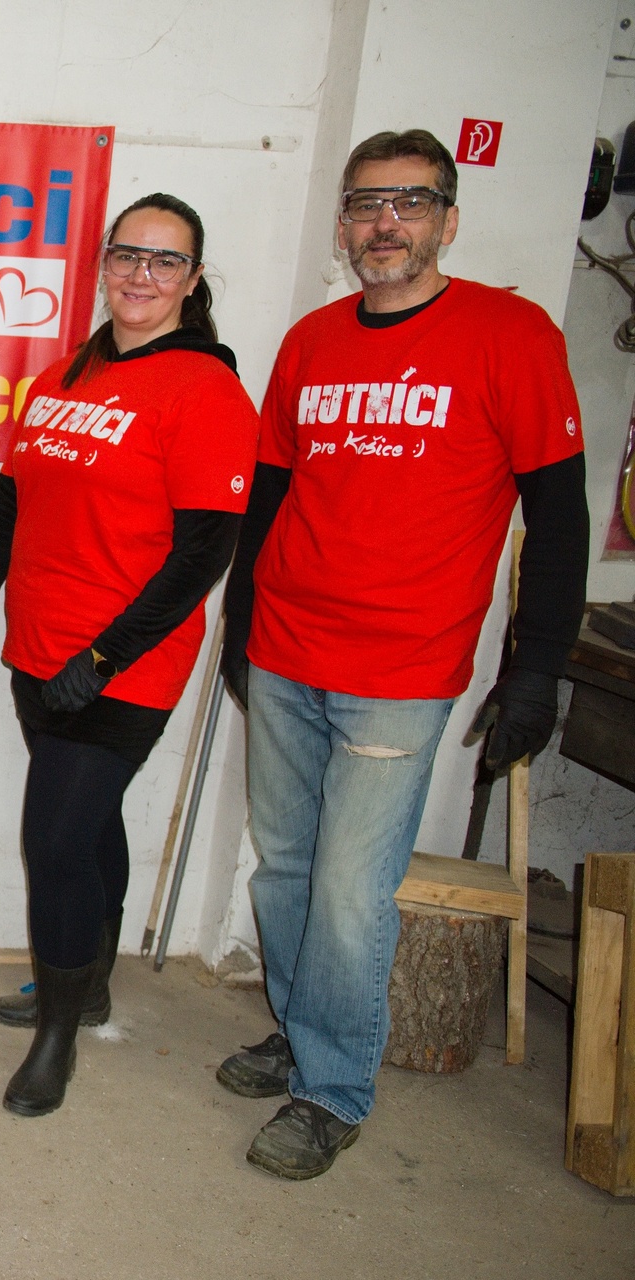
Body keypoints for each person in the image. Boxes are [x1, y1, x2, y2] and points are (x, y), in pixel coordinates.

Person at [217, 129, 589, 1180]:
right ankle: (302, 1029)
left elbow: (560, 518)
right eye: (367, 204)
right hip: (287, 648)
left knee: (349, 890)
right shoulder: (312, 342)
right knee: (285, 867)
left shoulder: (510, 334)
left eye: (411, 202)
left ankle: (332, 1090)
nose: (386, 223)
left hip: (401, 669)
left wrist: (537, 668)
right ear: (343, 226)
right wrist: (241, 625)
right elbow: (272, 496)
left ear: (448, 220)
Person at [0, 194, 258, 1118]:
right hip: (38, 652)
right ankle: (90, 986)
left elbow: (204, 553)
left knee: (54, 842)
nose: (141, 275)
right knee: (87, 829)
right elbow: (10, 506)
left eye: (165, 262)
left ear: (192, 280)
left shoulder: (205, 391)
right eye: (127, 255)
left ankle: (58, 1036)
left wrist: (109, 655)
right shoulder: (64, 377)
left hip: (123, 668)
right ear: (103, 263)